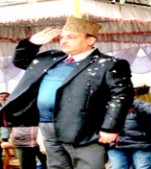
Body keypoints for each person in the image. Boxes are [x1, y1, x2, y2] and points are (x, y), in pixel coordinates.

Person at [0, 16, 134, 169]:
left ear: (90, 40)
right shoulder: (50, 58)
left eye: (71, 37)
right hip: (47, 125)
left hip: (84, 128)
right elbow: (20, 61)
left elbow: (121, 96)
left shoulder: (108, 64)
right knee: (56, 167)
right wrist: (31, 44)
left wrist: (110, 128)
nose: (63, 41)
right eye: (62, 37)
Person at [108, 99, 151, 169]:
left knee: (143, 167)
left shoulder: (140, 104)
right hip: (116, 145)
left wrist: (134, 102)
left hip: (140, 144)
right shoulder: (109, 105)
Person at [0, 92, 10, 169]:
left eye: (6, 96)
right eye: (1, 96)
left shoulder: (13, 107)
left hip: (10, 131)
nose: (3, 98)